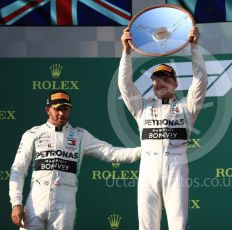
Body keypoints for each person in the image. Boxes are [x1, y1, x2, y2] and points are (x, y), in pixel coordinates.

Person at [9, 90, 141, 230]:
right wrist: (16, 203)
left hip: (64, 205)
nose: (62, 113)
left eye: (65, 109)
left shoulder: (80, 135)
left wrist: (144, 150)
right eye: (57, 109)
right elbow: (18, 169)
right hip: (35, 202)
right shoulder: (32, 134)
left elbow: (110, 153)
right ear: (48, 109)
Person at [119, 26, 207, 230]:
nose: (161, 84)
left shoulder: (187, 107)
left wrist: (194, 46)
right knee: (147, 225)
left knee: (178, 224)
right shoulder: (142, 107)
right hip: (148, 168)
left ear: (175, 83)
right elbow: (125, 86)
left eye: (166, 80)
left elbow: (201, 81)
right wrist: (126, 51)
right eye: (157, 80)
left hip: (177, 167)